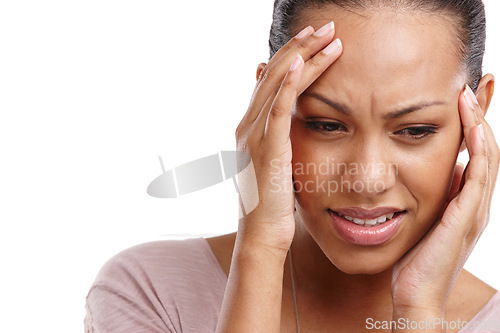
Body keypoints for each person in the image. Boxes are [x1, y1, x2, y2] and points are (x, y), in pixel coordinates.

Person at [84, 0, 500, 332]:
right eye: (326, 124)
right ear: (269, 106)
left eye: (414, 130)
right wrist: (260, 247)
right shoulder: (149, 292)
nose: (368, 180)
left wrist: (420, 310)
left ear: (475, 112)